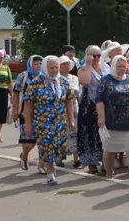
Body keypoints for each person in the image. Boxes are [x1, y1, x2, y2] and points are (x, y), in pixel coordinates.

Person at [22, 56, 76, 185]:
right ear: (45, 67)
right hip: (43, 123)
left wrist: (72, 120)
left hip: (60, 122)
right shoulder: (36, 83)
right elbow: (28, 104)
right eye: (51, 67)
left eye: (56, 67)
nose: (54, 70)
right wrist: (28, 124)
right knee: (47, 147)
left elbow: (69, 100)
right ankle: (50, 174)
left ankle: (44, 164)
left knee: (60, 148)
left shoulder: (63, 81)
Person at [97, 54, 129, 183]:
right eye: (119, 66)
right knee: (110, 149)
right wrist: (101, 117)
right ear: (113, 66)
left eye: (124, 66)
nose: (122, 68)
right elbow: (99, 100)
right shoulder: (105, 80)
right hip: (111, 120)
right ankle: (109, 174)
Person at [75, 47, 105, 174]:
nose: (96, 58)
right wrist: (88, 64)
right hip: (89, 106)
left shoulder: (105, 68)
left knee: (103, 135)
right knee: (89, 133)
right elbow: (86, 82)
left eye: (98, 55)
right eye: (93, 55)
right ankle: (91, 162)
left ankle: (105, 162)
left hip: (103, 105)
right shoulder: (82, 69)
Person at [12, 54, 43, 171]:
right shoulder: (23, 76)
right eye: (36, 64)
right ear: (31, 64)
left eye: (40, 63)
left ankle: (42, 165)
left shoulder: (44, 76)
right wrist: (14, 110)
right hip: (25, 111)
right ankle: (24, 157)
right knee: (28, 141)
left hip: (42, 112)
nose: (38, 66)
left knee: (39, 140)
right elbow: (15, 93)